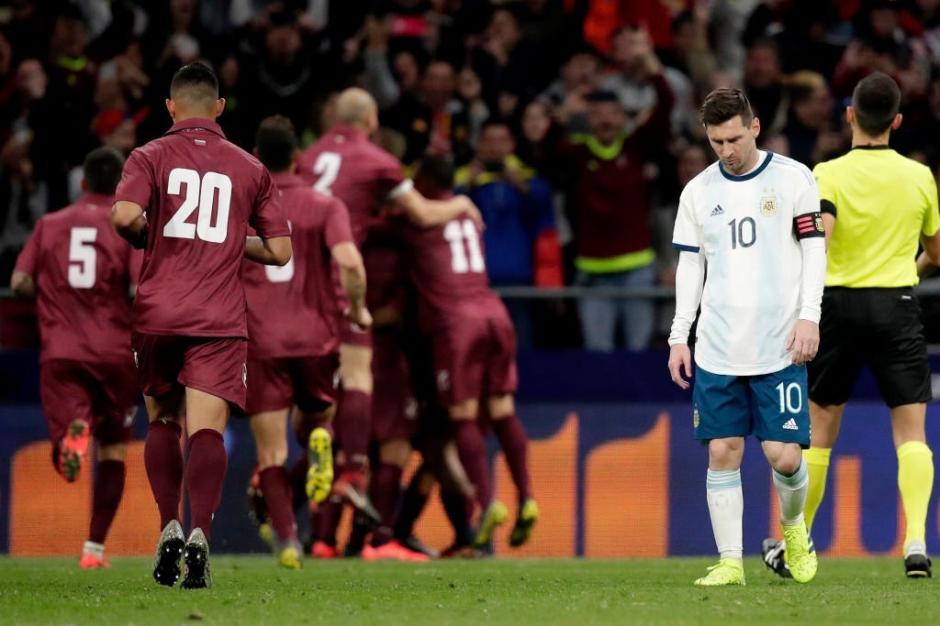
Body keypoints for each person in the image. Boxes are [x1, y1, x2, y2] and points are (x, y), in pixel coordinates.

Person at [111, 62, 292, 589]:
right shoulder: (250, 166)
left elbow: (123, 216)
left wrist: (151, 234)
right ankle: (200, 534)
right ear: (219, 108)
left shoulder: (149, 155)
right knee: (207, 429)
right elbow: (280, 251)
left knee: (163, 420)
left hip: (159, 312)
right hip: (218, 316)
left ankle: (168, 522)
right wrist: (234, 240)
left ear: (170, 106)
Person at [763, 72, 938, 579]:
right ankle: (917, 544)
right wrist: (907, 271)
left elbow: (822, 239)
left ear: (850, 116)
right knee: (911, 432)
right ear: (897, 122)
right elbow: (936, 252)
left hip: (837, 306)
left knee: (818, 432)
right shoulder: (919, 176)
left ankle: (797, 544)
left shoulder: (828, 173)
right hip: (897, 304)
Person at [296, 87, 480, 525]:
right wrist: (461, 204)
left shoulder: (306, 158)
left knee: (305, 383)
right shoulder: (377, 161)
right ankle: (351, 471)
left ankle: (289, 458)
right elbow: (420, 213)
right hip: (337, 276)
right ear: (372, 119)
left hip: (292, 281)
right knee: (357, 372)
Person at [668, 87, 826, 586]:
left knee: (784, 455)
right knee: (723, 450)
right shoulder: (697, 192)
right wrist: (679, 336)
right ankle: (730, 562)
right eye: (716, 142)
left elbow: (815, 252)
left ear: (754, 127)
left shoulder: (795, 178)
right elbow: (690, 267)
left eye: (734, 138)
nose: (726, 151)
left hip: (779, 343)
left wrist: (810, 316)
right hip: (718, 346)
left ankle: (794, 527)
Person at [241, 115, 368, 570]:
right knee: (316, 418)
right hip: (317, 338)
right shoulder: (324, 204)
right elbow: (351, 263)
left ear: (256, 159)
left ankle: (290, 541)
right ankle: (319, 436)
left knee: (271, 452)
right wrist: (358, 310)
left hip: (262, 340)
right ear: (298, 158)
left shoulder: (243, 209)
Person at [11, 147, 138, 570]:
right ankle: (94, 550)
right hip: (116, 353)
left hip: (62, 349)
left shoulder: (49, 225)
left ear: (82, 184)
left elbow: (21, 281)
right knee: (116, 449)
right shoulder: (127, 227)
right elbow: (140, 290)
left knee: (67, 442)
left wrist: (53, 293)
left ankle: (71, 437)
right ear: (121, 185)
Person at [402, 155, 538, 550]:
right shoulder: (467, 214)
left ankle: (486, 502)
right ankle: (527, 495)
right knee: (501, 409)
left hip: (456, 322)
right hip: (494, 311)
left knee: (462, 415)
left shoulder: (415, 216)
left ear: (423, 178)